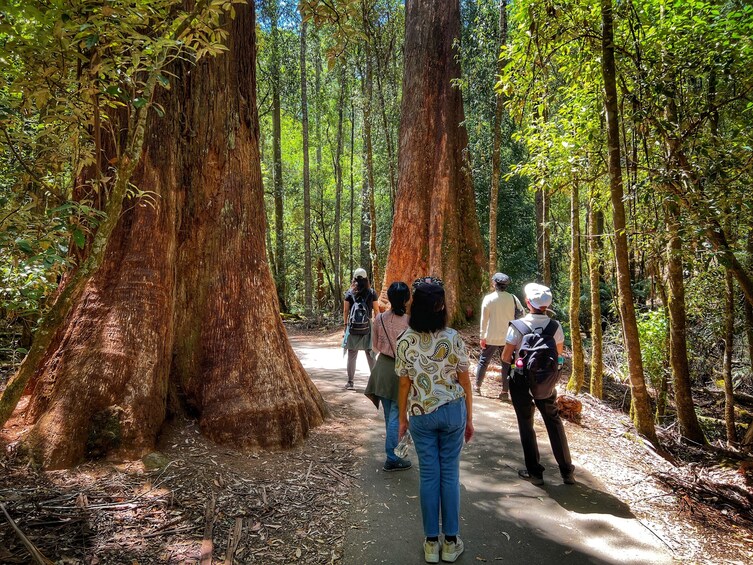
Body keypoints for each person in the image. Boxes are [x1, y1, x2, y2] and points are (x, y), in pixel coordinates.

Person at [396, 279, 474, 564]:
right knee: (449, 474)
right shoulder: (453, 337)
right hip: (453, 411)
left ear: (414, 306)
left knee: (429, 476)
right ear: (442, 306)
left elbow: (404, 385)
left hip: (421, 414)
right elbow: (464, 380)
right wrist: (469, 418)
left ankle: (431, 543)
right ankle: (451, 542)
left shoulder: (405, 340)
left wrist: (402, 419)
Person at [500, 283, 575, 486]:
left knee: (526, 423)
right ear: (546, 306)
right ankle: (567, 471)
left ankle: (535, 472)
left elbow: (506, 357)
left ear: (527, 303)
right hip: (546, 381)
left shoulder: (517, 326)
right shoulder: (555, 327)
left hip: (521, 379)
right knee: (553, 421)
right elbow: (558, 355)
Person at [364, 281, 412, 472]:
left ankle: (395, 452)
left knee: (390, 415)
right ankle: (392, 457)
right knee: (396, 415)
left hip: (382, 368)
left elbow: (374, 346)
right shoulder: (410, 323)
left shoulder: (380, 319)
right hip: (401, 372)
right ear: (407, 299)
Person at [475, 272, 524, 400]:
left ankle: (477, 387)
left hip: (491, 336)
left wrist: (482, 336)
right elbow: (522, 313)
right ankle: (504, 392)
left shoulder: (489, 298)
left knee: (484, 361)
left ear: (494, 284)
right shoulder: (513, 298)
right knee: (506, 364)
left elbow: (484, 320)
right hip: (508, 338)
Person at [343, 268, 378, 390]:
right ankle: (374, 383)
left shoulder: (349, 293)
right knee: (370, 354)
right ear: (366, 279)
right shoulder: (372, 292)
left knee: (352, 354)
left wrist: (345, 324)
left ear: (354, 278)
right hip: (367, 326)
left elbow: (346, 310)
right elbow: (376, 311)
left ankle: (350, 382)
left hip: (353, 326)